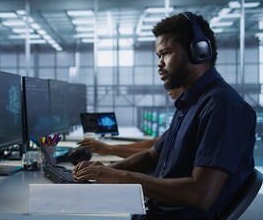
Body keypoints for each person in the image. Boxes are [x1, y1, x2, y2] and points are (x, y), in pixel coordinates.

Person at [73, 12, 256, 219]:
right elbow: (152, 157)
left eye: (166, 53)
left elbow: (200, 194)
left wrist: (120, 176)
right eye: (158, 56)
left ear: (199, 51)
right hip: (154, 211)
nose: (159, 63)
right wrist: (104, 171)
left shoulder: (221, 105)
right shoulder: (189, 103)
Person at [77, 88, 183, 158]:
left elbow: (156, 154)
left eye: (171, 81)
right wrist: (107, 148)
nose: (167, 87)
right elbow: (154, 143)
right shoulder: (180, 113)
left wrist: (110, 149)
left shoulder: (189, 116)